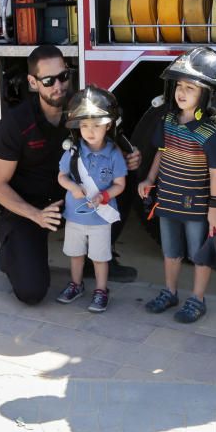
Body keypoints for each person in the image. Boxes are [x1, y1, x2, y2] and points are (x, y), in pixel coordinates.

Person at [0, 45, 140, 304]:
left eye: (63, 76)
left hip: (73, 197)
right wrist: (36, 215)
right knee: (31, 292)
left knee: (124, 174)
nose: (58, 86)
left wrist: (131, 157)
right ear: (33, 82)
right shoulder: (15, 123)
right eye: (48, 80)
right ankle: (13, 253)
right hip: (31, 208)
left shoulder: (82, 109)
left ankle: (99, 254)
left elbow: (111, 145)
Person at [138, 48, 216, 324]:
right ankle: (170, 291)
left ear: (208, 94)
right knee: (170, 251)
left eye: (191, 87)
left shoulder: (209, 132)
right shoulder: (167, 121)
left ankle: (197, 299)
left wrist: (215, 208)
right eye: (179, 85)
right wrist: (149, 180)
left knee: (200, 254)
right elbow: (161, 152)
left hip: (196, 204)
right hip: (167, 199)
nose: (181, 92)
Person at [55, 86, 128, 313]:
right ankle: (76, 285)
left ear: (108, 125)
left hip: (100, 219)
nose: (90, 131)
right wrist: (72, 187)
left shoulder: (114, 153)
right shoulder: (74, 151)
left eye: (96, 125)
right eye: (84, 125)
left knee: (100, 257)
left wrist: (104, 196)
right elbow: (61, 176)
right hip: (74, 216)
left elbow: (120, 184)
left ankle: (101, 290)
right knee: (75, 255)